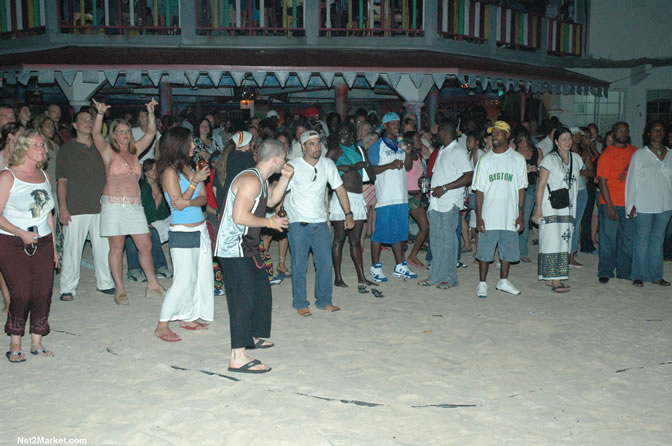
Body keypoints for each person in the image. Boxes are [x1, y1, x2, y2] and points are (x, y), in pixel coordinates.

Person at [215, 139, 293, 373]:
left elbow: (270, 201)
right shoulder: (250, 180)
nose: (286, 162)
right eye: (285, 158)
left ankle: (253, 336)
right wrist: (271, 222)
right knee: (243, 298)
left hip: (247, 245)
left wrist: (286, 178)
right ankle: (237, 356)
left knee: (261, 289)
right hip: (233, 247)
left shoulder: (261, 179)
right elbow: (239, 217)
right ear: (277, 159)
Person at [92, 98, 166, 304]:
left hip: (134, 205)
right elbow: (96, 134)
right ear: (114, 134)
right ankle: (120, 288)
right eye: (121, 131)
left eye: (127, 131)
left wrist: (151, 112)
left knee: (145, 245)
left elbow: (151, 133)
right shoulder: (107, 151)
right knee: (117, 247)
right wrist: (99, 114)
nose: (125, 135)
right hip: (113, 205)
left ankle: (152, 284)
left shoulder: (135, 151)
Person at [0, 130, 58, 362]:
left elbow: (48, 214)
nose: (42, 148)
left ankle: (37, 340)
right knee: (21, 294)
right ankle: (15, 341)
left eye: (42, 145)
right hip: (12, 241)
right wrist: (20, 232)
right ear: (24, 148)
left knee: (43, 292)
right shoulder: (8, 177)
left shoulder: (43, 175)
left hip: (42, 241)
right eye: (36, 144)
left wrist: (54, 247)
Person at [154, 127, 214, 342]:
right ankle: (162, 325)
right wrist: (194, 183)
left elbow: (202, 199)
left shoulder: (190, 168)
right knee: (183, 280)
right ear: (178, 145)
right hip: (182, 230)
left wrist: (190, 194)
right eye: (189, 142)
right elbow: (177, 205)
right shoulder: (169, 172)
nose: (193, 146)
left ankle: (188, 316)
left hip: (200, 228)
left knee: (200, 277)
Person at [286, 130, 353, 316]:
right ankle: (300, 302)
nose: (317, 147)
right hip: (298, 223)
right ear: (303, 147)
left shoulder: (328, 165)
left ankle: (324, 300)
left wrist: (348, 214)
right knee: (299, 264)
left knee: (325, 263)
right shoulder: (293, 166)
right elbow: (281, 191)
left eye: (318, 143)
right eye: (312, 144)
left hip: (321, 222)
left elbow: (340, 189)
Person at [56, 111, 115, 301]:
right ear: (74, 125)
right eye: (82, 120)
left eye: (90, 120)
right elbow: (62, 181)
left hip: (100, 206)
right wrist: (63, 208)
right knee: (72, 249)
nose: (87, 123)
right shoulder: (66, 150)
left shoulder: (101, 147)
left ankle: (105, 283)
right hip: (76, 207)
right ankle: (67, 287)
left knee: (103, 248)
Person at [472, 121, 527, 298]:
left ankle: (503, 281)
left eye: (498, 133)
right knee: (485, 252)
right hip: (489, 213)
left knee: (508, 250)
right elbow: (479, 191)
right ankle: (482, 283)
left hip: (510, 213)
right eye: (493, 134)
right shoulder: (485, 160)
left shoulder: (518, 159)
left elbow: (521, 188)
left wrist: (520, 214)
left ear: (508, 135)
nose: (494, 137)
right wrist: (479, 216)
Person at [418, 121, 473, 288]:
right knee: (435, 240)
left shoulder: (457, 151)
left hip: (449, 202)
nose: (436, 135)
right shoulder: (443, 150)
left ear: (445, 132)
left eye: (438, 132)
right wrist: (427, 181)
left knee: (448, 240)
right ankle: (434, 276)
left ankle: (449, 278)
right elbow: (443, 174)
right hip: (436, 202)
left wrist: (444, 188)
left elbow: (469, 175)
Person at [326, 121, 377, 293]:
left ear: (353, 135)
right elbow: (323, 171)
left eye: (345, 133)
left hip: (357, 197)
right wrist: (340, 167)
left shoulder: (361, 150)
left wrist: (365, 165)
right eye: (340, 133)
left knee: (355, 240)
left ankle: (361, 277)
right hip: (341, 198)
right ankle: (338, 277)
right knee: (339, 238)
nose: (342, 136)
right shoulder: (334, 151)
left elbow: (372, 176)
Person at [533, 127, 585, 293]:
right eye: (563, 139)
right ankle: (555, 280)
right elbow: (541, 185)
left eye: (569, 138)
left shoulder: (576, 158)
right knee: (552, 240)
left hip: (569, 207)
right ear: (556, 141)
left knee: (564, 241)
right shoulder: (549, 160)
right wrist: (538, 208)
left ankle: (551, 277)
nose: (567, 142)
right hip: (551, 206)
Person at [368, 112, 417, 282]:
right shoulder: (377, 146)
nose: (398, 126)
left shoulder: (401, 145)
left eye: (399, 124)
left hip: (401, 197)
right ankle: (375, 267)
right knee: (380, 235)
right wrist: (389, 165)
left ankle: (400, 265)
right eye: (394, 124)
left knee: (399, 234)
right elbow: (371, 170)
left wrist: (409, 153)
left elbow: (408, 167)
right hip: (386, 197)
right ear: (385, 126)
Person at [625, 120, 672, 287]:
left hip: (665, 205)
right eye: (655, 130)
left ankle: (656, 275)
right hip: (643, 204)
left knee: (657, 241)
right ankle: (638, 275)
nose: (658, 133)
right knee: (641, 240)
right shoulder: (639, 155)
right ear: (648, 133)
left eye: (661, 130)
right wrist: (631, 204)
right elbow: (632, 180)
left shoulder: (670, 154)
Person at [596, 122, 637, 284]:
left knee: (627, 240)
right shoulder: (607, 154)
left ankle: (624, 271)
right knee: (608, 240)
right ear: (613, 134)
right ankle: (605, 271)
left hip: (629, 203)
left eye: (626, 130)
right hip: (610, 203)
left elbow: (638, 180)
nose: (623, 132)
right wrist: (610, 206)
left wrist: (635, 203)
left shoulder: (635, 152)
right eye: (620, 130)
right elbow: (602, 182)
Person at [125, 159, 172, 282]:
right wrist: (161, 195)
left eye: (156, 169)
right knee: (149, 232)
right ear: (145, 172)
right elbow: (149, 212)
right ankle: (153, 267)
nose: (154, 172)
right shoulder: (142, 188)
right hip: (146, 218)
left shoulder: (163, 183)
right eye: (150, 169)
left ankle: (161, 268)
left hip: (164, 218)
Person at [404, 131, 429, 270]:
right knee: (424, 227)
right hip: (408, 197)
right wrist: (408, 152)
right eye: (418, 139)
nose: (420, 141)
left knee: (424, 227)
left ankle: (412, 256)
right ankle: (410, 256)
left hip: (417, 196)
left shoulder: (418, 156)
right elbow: (407, 168)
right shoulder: (408, 156)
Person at [515, 135, 542, 263]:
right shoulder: (514, 153)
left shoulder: (537, 151)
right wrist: (524, 171)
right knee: (517, 218)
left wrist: (536, 169)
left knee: (525, 219)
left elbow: (543, 171)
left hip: (531, 188)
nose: (523, 145)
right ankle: (516, 250)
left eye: (525, 142)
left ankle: (523, 251)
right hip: (517, 188)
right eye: (520, 142)